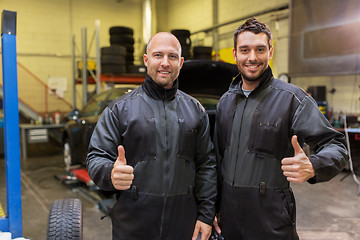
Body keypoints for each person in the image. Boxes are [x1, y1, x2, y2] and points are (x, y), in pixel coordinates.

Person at [212, 17, 348, 240]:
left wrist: (314, 164)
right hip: (229, 219)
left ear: (271, 51)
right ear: (235, 54)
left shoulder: (292, 100)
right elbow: (218, 161)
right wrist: (213, 209)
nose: (252, 57)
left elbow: (336, 145)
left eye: (260, 49)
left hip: (271, 220)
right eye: (245, 50)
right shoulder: (225, 102)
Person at [86, 32, 217, 240]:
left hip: (183, 226)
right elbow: (96, 157)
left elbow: (206, 166)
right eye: (158, 55)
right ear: (146, 60)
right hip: (133, 225)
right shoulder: (119, 110)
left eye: (172, 56)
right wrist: (110, 173)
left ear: (181, 62)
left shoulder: (196, 111)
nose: (165, 62)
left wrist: (206, 215)